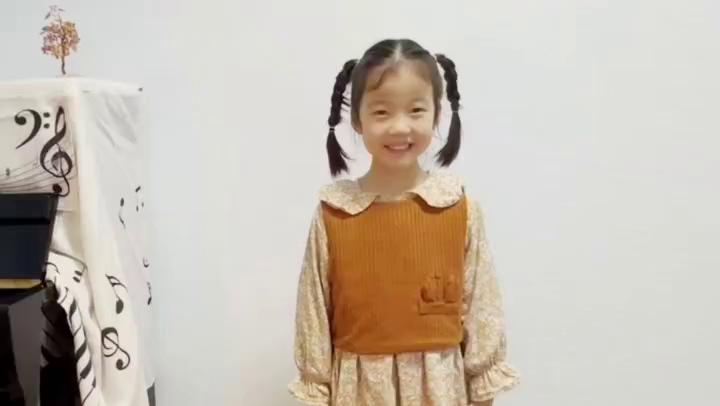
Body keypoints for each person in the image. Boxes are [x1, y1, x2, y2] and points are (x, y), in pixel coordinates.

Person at [289, 38, 519, 406]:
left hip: (441, 393)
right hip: (360, 393)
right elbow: (313, 314)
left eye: (415, 110)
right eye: (382, 112)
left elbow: (482, 308)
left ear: (436, 113)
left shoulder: (459, 209)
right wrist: (317, 387)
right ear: (357, 119)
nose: (400, 127)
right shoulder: (334, 213)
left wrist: (481, 392)